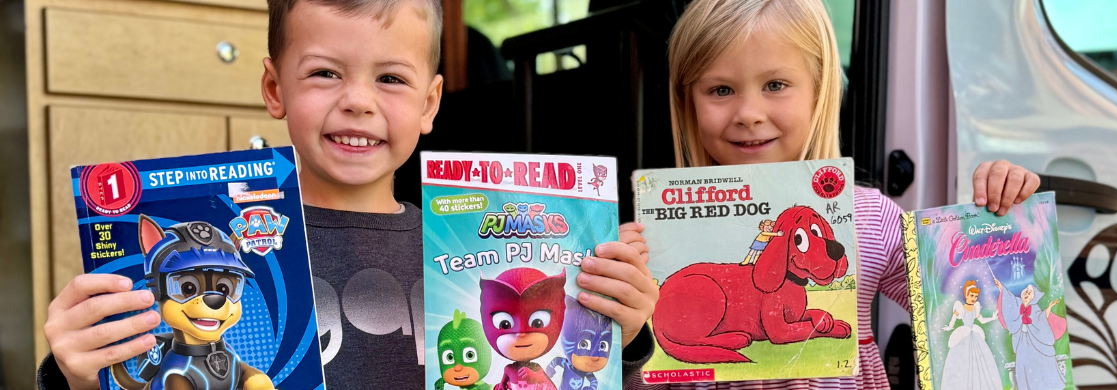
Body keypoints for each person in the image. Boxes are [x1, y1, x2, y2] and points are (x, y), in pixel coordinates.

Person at [37, 0, 657, 388]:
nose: (357, 100)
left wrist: (619, 342)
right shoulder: (224, 252)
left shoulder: (466, 248)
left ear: (430, 104)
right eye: (325, 73)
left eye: (390, 78)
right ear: (274, 88)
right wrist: (79, 373)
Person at [623, 0, 1040, 388]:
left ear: (819, 90)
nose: (748, 114)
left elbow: (965, 305)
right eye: (721, 90)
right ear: (686, 101)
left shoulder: (870, 217)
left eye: (775, 84)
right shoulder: (649, 242)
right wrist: (625, 335)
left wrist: (1000, 225)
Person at [995, 279, 1066, 390]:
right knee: (1023, 366)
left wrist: (1048, 309)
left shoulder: (1035, 308)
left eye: (1030, 293)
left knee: (1036, 364)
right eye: (1026, 292)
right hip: (1022, 342)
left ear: (1033, 297)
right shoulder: (1017, 304)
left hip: (1034, 342)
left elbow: (1041, 318)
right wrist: (1001, 287)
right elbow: (1008, 299)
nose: (1027, 294)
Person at [940, 280, 1001, 390]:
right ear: (966, 295)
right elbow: (953, 319)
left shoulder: (975, 307)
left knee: (980, 361)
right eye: (972, 295)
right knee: (963, 361)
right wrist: (949, 327)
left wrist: (992, 318)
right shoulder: (960, 307)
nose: (974, 298)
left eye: (976, 296)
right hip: (964, 336)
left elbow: (981, 320)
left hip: (974, 336)